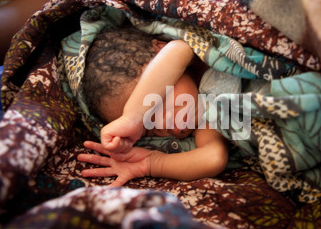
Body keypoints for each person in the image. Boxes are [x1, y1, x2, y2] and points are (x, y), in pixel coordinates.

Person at [77, 26, 229, 187]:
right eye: (148, 128)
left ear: (160, 50)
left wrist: (133, 117)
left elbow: (179, 49)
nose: (165, 125)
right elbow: (214, 157)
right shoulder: (208, 116)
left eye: (155, 104)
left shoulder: (189, 53)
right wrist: (151, 164)